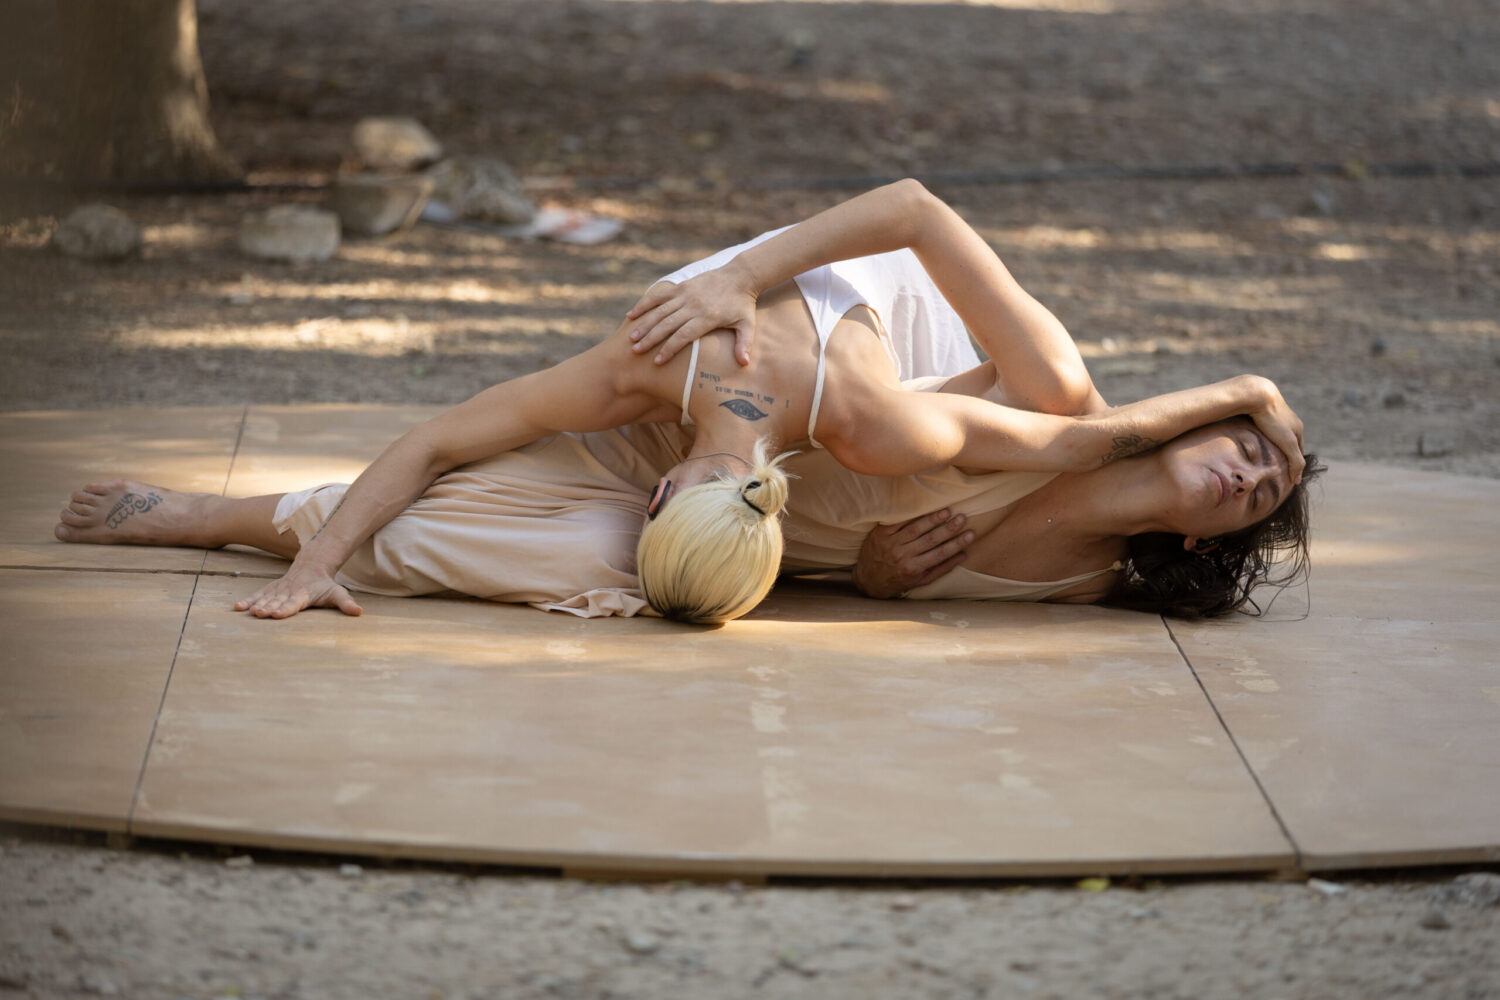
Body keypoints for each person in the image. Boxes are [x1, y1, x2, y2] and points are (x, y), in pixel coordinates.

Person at [54, 181, 1311, 622]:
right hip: (788, 321)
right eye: (1250, 454)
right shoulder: (676, 367)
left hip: (804, 452)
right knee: (526, 489)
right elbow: (921, 217)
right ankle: (239, 522)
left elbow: (830, 561)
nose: (1247, 471)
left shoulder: (905, 465)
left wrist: (870, 584)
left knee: (539, 556)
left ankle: (236, 521)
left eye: (1252, 491)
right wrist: (744, 275)